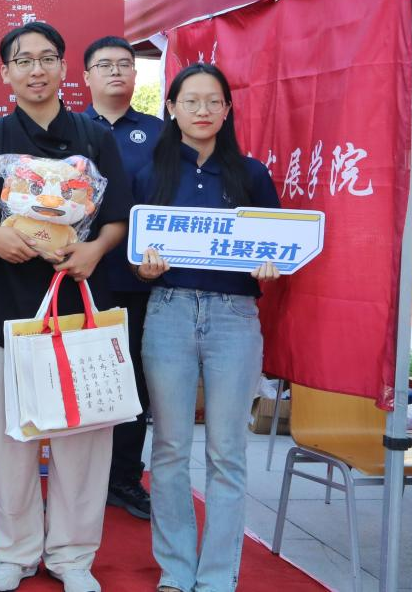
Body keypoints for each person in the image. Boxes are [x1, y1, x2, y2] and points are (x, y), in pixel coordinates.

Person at [0, 22, 131, 592]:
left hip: (80, 311)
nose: (36, 70)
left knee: (82, 442)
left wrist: (94, 250)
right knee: (11, 441)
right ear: (5, 73)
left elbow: (117, 216)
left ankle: (72, 557)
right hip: (8, 315)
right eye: (23, 60)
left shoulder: (95, 138)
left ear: (63, 69)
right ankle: (13, 554)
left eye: (46, 59)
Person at [134, 63, 281, 592]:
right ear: (171, 108)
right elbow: (133, 253)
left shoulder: (251, 174)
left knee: (227, 451)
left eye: (213, 101)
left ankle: (218, 576)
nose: (202, 110)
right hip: (168, 311)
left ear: (227, 110)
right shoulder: (149, 172)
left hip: (234, 317)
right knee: (170, 448)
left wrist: (271, 262)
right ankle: (176, 570)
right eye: (190, 101)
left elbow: (277, 242)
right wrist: (143, 268)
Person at [80, 36, 163, 521]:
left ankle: (125, 478)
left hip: (138, 281)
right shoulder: (68, 129)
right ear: (86, 76)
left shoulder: (160, 133)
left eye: (125, 65)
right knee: (82, 377)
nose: (116, 72)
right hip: (79, 277)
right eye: (105, 65)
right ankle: (76, 481)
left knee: (132, 381)